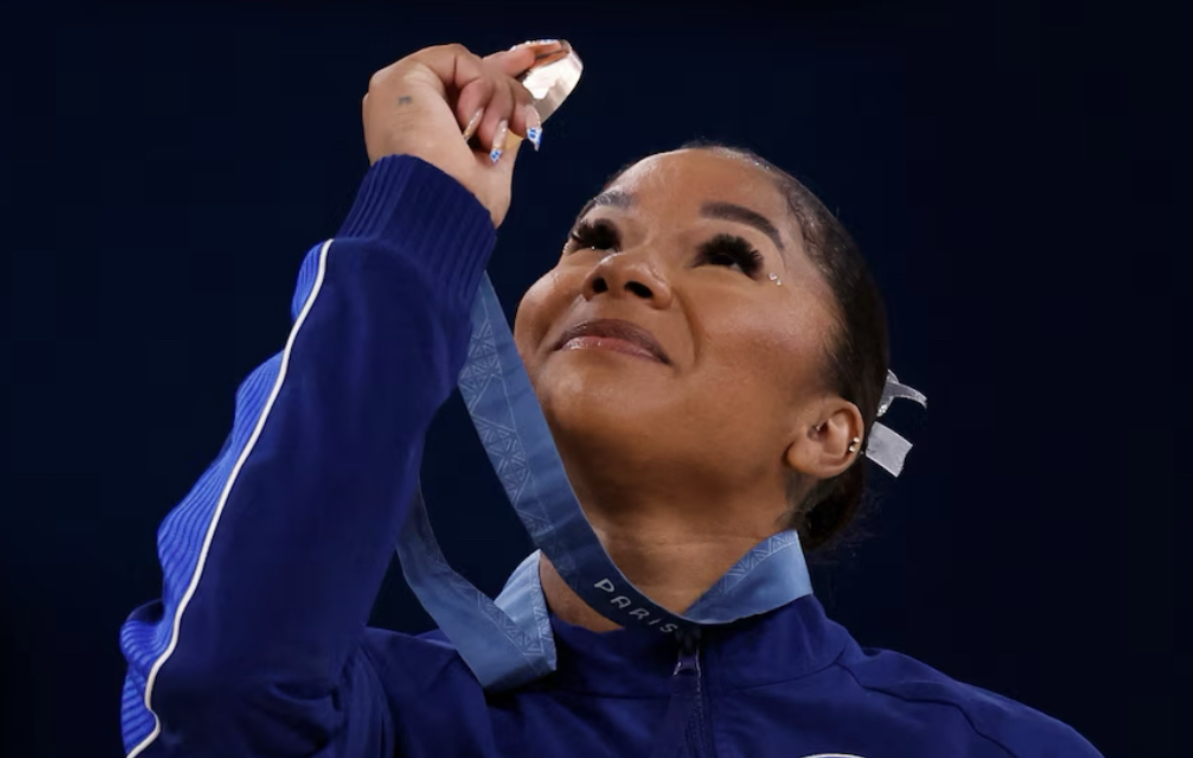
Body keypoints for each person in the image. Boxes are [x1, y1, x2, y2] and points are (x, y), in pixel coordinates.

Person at [118, 41, 1103, 758]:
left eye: (728, 254)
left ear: (829, 430)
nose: (619, 274)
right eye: (591, 236)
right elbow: (212, 699)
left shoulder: (994, 748)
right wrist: (420, 212)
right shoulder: (378, 715)